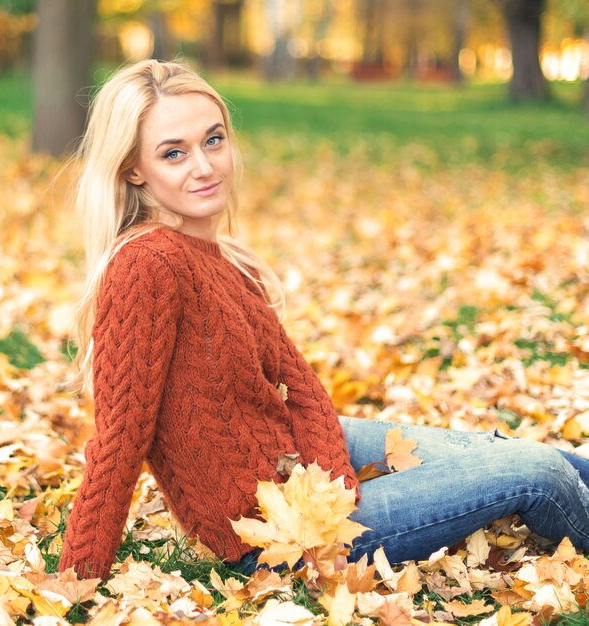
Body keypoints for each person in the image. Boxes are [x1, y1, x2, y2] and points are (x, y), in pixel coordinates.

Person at [57, 59, 589, 581]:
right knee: (537, 476)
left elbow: (300, 386)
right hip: (272, 533)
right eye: (174, 153)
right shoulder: (147, 265)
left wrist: (333, 477)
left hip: (299, 465)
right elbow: (120, 438)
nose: (204, 166)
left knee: (532, 453)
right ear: (133, 168)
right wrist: (73, 582)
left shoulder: (222, 259)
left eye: (213, 140)